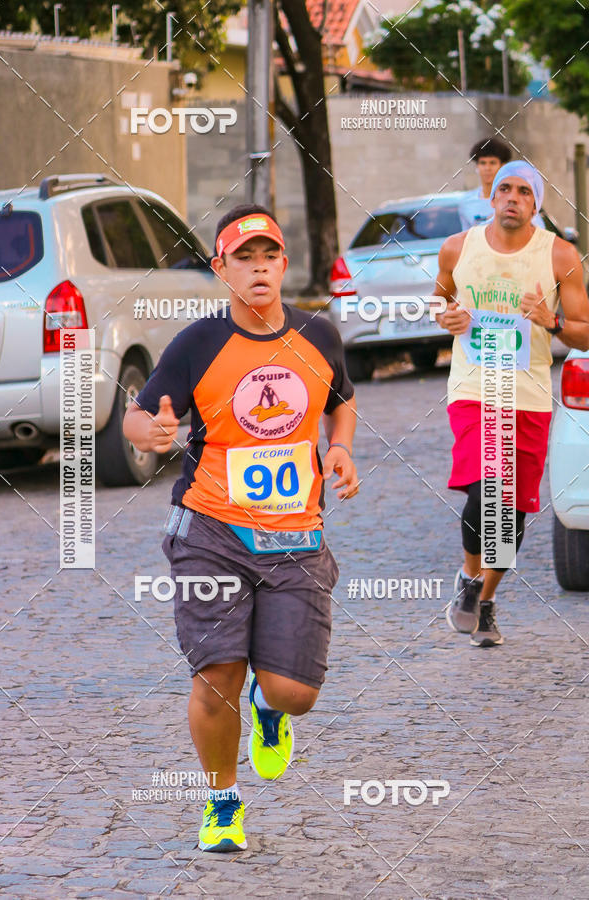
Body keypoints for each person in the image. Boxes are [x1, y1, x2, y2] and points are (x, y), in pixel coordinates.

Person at [123, 204, 359, 852]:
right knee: (216, 672)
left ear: (283, 264)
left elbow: (342, 401)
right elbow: (136, 421)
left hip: (295, 535)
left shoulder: (318, 335)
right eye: (244, 258)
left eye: (269, 256)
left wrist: (338, 447)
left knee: (295, 691)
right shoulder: (198, 344)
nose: (258, 268)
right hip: (210, 529)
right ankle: (223, 801)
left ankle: (270, 708)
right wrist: (155, 432)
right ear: (220, 268)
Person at [436, 161, 589, 647]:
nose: (512, 197)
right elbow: (439, 300)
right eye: (505, 188)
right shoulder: (458, 248)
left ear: (535, 204)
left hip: (528, 395)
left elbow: (585, 330)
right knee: (486, 488)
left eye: (524, 191)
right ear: (491, 197)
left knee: (511, 513)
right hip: (474, 388)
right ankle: (467, 578)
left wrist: (552, 321)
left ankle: (482, 599)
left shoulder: (560, 255)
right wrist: (449, 318)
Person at [459, 138, 544, 230]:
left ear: (503, 166)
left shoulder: (515, 199)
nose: (487, 168)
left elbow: (539, 231)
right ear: (477, 166)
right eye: (483, 163)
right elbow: (467, 238)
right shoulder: (466, 203)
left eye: (492, 163)